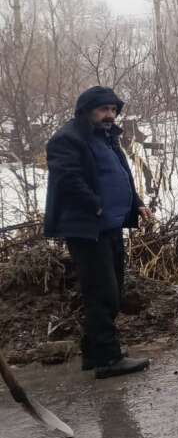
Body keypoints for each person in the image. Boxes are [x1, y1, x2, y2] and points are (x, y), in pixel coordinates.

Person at [44, 86, 152, 380]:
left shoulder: (107, 138)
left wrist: (137, 203)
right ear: (87, 110)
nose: (110, 115)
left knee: (113, 291)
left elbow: (120, 174)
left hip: (111, 227)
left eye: (114, 110)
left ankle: (94, 352)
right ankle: (107, 360)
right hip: (86, 228)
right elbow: (68, 179)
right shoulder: (68, 139)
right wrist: (97, 207)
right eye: (103, 109)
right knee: (101, 292)